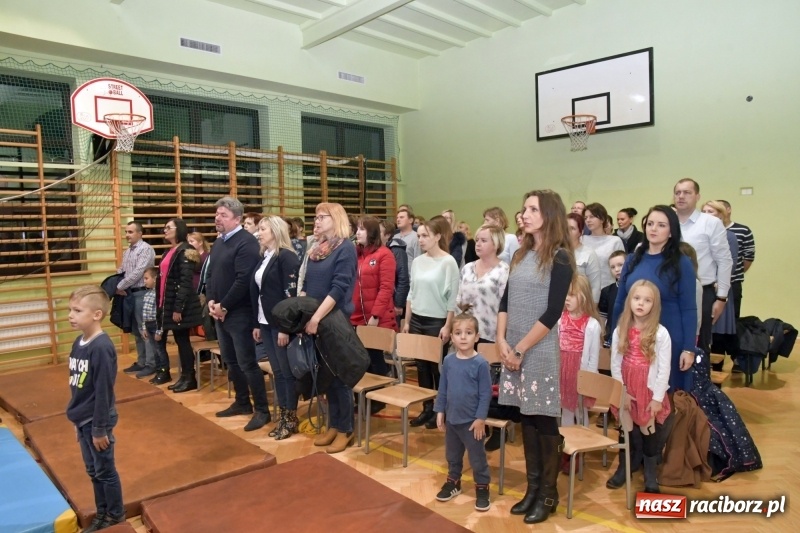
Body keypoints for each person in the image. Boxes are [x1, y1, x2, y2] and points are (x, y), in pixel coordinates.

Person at [496, 189, 574, 525]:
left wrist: (520, 348)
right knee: (525, 418)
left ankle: (548, 493)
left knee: (543, 419)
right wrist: (500, 339)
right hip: (512, 346)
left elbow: (554, 311)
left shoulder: (560, 258)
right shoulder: (520, 254)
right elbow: (505, 300)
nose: (524, 214)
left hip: (537, 350)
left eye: (532, 209)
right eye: (524, 207)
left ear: (549, 215)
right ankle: (531, 489)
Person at [611, 206, 697, 392]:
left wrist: (689, 348)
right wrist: (614, 335)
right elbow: (620, 301)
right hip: (633, 338)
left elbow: (689, 309)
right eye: (650, 224)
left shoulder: (682, 263)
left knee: (664, 396)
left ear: (671, 231)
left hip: (668, 338)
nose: (653, 229)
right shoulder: (632, 260)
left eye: (661, 225)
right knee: (633, 394)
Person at [206, 197, 271, 432]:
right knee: (231, 360)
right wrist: (213, 301)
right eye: (217, 214)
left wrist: (224, 305)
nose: (217, 218)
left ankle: (262, 410)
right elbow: (212, 274)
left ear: (237, 219)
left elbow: (244, 280)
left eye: (223, 215)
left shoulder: (246, 243)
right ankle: (242, 402)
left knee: (247, 363)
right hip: (221, 312)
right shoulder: (219, 242)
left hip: (240, 312)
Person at [66, 286, 125, 531]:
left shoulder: (100, 347)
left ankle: (115, 514)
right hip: (83, 419)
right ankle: (102, 512)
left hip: (96, 419)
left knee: (105, 471)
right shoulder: (78, 342)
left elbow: (103, 391)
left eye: (77, 310)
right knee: (93, 470)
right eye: (70, 310)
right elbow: (77, 385)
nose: (71, 315)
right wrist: (76, 420)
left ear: (96, 314)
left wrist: (99, 428)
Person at [303, 202, 358, 454]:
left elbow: (338, 289)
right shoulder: (316, 249)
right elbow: (307, 283)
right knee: (327, 377)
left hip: (334, 321)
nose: (316, 221)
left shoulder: (345, 249)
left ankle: (346, 428)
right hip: (316, 321)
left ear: (336, 219)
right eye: (315, 217)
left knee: (340, 379)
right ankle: (334, 425)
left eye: (321, 217)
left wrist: (316, 317)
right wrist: (303, 310)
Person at [609, 280, 672, 494]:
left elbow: (664, 369)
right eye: (637, 298)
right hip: (627, 387)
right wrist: (621, 392)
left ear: (654, 305)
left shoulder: (661, 333)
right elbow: (615, 364)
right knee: (625, 428)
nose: (641, 304)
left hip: (648, 389)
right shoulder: (621, 329)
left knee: (648, 430)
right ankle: (623, 468)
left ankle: (650, 474)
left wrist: (657, 398)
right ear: (630, 301)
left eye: (647, 300)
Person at [403, 216, 460, 429]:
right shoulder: (418, 261)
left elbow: (452, 299)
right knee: (421, 368)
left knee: (437, 369)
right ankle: (426, 408)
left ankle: (440, 411)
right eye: (418, 236)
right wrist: (407, 321)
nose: (421, 240)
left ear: (437, 236)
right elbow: (412, 292)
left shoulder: (448, 262)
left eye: (425, 235)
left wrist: (447, 325)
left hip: (437, 321)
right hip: (417, 319)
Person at [433, 313, 493, 512]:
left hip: (472, 424)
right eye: (458, 333)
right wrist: (440, 410)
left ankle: (483, 487)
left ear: (477, 337)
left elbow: (486, 395)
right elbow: (443, 388)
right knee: (452, 454)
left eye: (468, 333)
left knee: (477, 458)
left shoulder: (481, 364)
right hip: (452, 420)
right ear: (452, 336)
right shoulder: (449, 361)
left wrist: (480, 419)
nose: (463, 337)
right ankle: (453, 481)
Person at [251, 216, 300, 440]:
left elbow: (290, 296)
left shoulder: (286, 256)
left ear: (276, 231)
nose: (259, 233)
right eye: (259, 229)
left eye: (263, 229)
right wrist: (257, 323)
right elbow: (260, 293)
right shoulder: (265, 256)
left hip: (280, 325)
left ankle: (290, 417)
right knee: (278, 372)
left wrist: (285, 328)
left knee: (285, 373)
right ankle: (283, 416)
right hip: (265, 321)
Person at [673, 179, 733, 356]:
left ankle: (700, 383)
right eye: (678, 192)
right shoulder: (667, 222)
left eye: (687, 192)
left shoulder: (710, 223)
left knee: (699, 344)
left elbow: (724, 260)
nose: (681, 196)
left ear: (697, 196)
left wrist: (721, 298)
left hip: (700, 292)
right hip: (669, 290)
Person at [351, 216, 397, 414]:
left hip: (375, 318)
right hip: (355, 316)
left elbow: (386, 288)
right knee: (358, 359)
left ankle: (377, 399)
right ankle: (360, 397)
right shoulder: (356, 254)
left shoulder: (385, 254)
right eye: (357, 229)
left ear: (371, 232)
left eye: (362, 229)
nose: (358, 232)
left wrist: (376, 315)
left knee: (374, 360)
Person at [155, 218, 203, 392]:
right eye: (164, 227)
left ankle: (190, 378)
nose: (165, 230)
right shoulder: (170, 251)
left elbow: (185, 282)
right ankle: (184, 377)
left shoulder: (186, 250)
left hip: (181, 306)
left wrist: (178, 308)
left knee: (183, 342)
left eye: (169, 227)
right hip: (167, 302)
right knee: (179, 340)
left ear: (179, 230)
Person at [558, 275, 601, 429]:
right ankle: (566, 448)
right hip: (563, 371)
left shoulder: (592, 324)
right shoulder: (560, 319)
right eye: (565, 295)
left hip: (580, 373)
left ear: (584, 296)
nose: (567, 299)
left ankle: (582, 446)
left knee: (580, 411)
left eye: (572, 295)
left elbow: (593, 358)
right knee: (566, 411)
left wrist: (588, 380)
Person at [456, 223, 509, 344]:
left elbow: (505, 307)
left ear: (496, 244)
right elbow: (458, 299)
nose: (478, 244)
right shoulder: (467, 268)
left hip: (490, 335)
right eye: (477, 240)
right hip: (465, 334)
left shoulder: (504, 270)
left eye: (483, 240)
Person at [702, 201, 739, 367]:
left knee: (717, 336)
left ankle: (716, 375)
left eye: (711, 211)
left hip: (718, 290)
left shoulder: (729, 236)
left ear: (721, 215)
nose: (706, 214)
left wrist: (718, 284)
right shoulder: (700, 234)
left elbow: (729, 262)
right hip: (702, 288)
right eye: (704, 211)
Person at [118, 221, 155, 378]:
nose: (127, 235)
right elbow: (123, 270)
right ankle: (141, 362)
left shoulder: (145, 249)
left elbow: (139, 272)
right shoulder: (128, 252)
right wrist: (116, 281)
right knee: (136, 330)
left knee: (144, 329)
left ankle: (151, 364)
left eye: (131, 232)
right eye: (126, 232)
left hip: (142, 293)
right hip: (130, 294)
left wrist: (120, 285)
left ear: (140, 233)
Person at [718, 199, 755, 321]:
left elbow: (748, 257)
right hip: (712, 283)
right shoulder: (708, 231)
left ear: (728, 210)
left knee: (732, 320)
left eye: (720, 209)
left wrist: (733, 273)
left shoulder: (743, 231)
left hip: (733, 283)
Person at [582, 203, 625, 290]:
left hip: (607, 290)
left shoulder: (614, 241)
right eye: (586, 218)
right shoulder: (582, 240)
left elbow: (623, 268)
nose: (588, 220)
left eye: (592, 217)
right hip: (585, 290)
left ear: (602, 219)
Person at [140, 267, 171, 385]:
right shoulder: (147, 294)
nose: (144, 281)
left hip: (157, 325)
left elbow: (161, 314)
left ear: (155, 279)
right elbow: (144, 313)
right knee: (155, 350)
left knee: (160, 350)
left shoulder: (160, 295)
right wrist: (144, 327)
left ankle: (165, 372)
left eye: (146, 278)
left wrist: (160, 330)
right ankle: (159, 372)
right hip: (148, 325)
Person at [380, 219, 410, 328]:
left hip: (394, 300)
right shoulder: (376, 250)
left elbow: (403, 278)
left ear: (387, 235)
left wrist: (399, 303)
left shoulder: (397, 251)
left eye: (378, 232)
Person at [567, 213, 601, 303]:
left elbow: (595, 287)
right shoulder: (555, 251)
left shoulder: (589, 254)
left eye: (572, 228)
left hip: (580, 304)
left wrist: (592, 309)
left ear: (581, 232)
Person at [599, 250, 627, 346]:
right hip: (611, 338)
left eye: (620, 265)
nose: (617, 269)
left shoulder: (635, 290)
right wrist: (602, 333)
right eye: (613, 267)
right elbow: (603, 316)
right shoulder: (606, 291)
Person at [396, 207, 420, 273]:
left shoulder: (416, 237)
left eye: (401, 217)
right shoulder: (394, 237)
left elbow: (418, 259)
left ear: (410, 220)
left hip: (410, 277)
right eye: (397, 218)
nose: (398, 220)